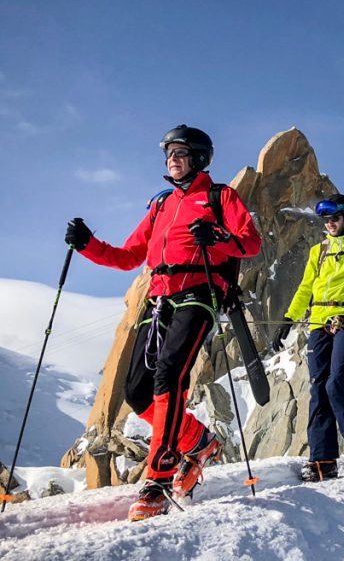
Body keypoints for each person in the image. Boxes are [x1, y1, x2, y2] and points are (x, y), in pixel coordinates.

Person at [65, 125, 261, 521]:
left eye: (181, 152)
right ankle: (198, 441)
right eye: (169, 153)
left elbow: (250, 242)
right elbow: (127, 256)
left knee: (169, 375)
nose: (172, 158)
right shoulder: (160, 205)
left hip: (199, 294)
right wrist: (87, 244)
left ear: (200, 158)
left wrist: (217, 235)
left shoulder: (219, 196)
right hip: (159, 301)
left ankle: (158, 479)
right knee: (137, 391)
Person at [272, 193, 344, 481]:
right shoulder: (318, 251)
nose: (330, 223)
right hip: (319, 322)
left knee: (337, 379)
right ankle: (322, 459)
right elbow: (306, 288)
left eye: (334, 218)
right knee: (318, 387)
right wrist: (288, 320)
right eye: (326, 219)